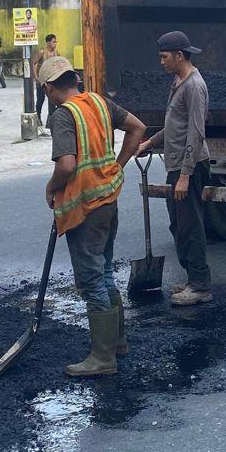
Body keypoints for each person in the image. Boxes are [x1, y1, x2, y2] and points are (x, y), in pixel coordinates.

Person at [41, 56, 145, 376]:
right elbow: (137, 127)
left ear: (48, 88)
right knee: (105, 274)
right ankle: (117, 342)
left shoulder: (63, 115)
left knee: (92, 280)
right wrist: (118, 164)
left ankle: (103, 358)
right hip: (108, 199)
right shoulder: (99, 102)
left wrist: (51, 187)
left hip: (86, 206)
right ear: (74, 78)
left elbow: (67, 165)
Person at [136, 30, 212, 306]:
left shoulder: (194, 86)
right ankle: (193, 278)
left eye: (164, 57)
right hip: (178, 165)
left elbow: (196, 133)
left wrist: (185, 176)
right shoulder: (178, 82)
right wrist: (150, 143)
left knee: (190, 226)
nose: (161, 62)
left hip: (189, 167)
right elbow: (173, 127)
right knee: (178, 224)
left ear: (179, 56)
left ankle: (201, 286)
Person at [33, 33, 65, 126]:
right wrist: (36, 77)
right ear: (48, 43)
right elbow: (34, 64)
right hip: (42, 79)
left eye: (55, 42)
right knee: (40, 99)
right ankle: (37, 116)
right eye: (53, 42)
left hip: (52, 79)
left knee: (52, 100)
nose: (55, 44)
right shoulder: (42, 52)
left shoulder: (56, 52)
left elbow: (59, 63)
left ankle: (50, 119)